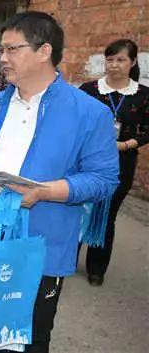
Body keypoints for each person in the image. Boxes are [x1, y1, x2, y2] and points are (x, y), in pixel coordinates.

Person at [0, 11, 119, 352]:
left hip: (40, 237)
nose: (2, 57)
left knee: (30, 331)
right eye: (0, 49)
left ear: (44, 51)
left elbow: (104, 179)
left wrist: (46, 191)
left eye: (11, 49)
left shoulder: (89, 112)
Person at [79, 39, 148, 286]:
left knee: (107, 214)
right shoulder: (89, 89)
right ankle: (66, 258)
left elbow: (147, 130)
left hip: (121, 162)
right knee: (77, 207)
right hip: (85, 160)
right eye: (110, 59)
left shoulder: (142, 95)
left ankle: (97, 268)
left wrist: (127, 144)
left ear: (132, 63)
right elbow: (73, 122)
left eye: (121, 60)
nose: (114, 65)